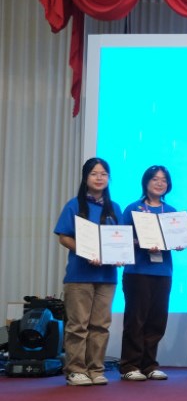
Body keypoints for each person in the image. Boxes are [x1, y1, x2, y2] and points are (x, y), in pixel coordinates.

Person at [54, 157, 123, 386]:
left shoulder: (115, 208)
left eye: (103, 174)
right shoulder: (74, 205)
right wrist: (85, 251)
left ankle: (96, 369)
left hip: (107, 276)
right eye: (94, 174)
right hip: (79, 275)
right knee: (78, 325)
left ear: (109, 178)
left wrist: (120, 255)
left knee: (101, 326)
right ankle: (76, 370)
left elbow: (120, 240)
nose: (99, 178)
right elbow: (64, 237)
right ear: (85, 178)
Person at [119, 165, 181, 381]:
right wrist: (141, 242)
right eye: (155, 179)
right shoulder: (133, 209)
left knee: (157, 320)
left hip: (163, 272)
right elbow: (120, 237)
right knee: (136, 319)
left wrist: (178, 243)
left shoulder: (171, 212)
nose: (159, 183)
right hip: (137, 271)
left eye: (164, 180)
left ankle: (149, 365)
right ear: (146, 182)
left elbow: (179, 238)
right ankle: (130, 365)